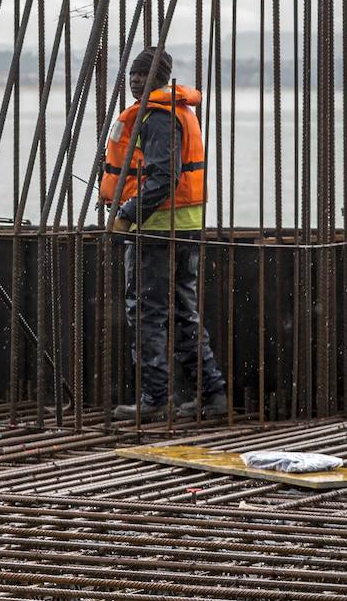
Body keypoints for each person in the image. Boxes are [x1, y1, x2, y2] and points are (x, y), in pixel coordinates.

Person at [101, 48, 228, 421]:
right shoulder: (175, 112)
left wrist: (126, 214)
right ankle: (213, 395)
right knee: (180, 311)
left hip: (157, 230)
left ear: (162, 78)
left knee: (147, 312)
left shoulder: (156, 118)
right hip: (183, 227)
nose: (137, 81)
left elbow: (163, 178)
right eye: (133, 75)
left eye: (145, 75)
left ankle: (156, 399)